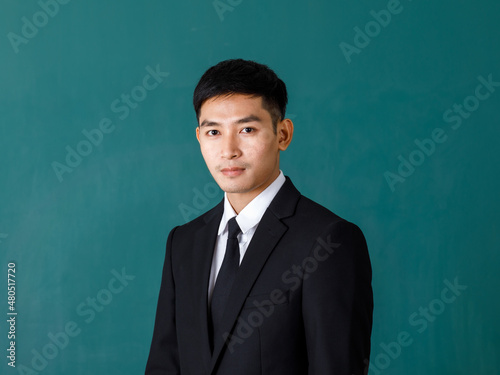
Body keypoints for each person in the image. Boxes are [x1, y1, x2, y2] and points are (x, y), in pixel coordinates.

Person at [145, 59, 373, 375]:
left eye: (247, 129)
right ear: (199, 138)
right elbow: (164, 364)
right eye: (213, 131)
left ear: (283, 134)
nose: (228, 150)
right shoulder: (184, 241)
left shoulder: (329, 240)